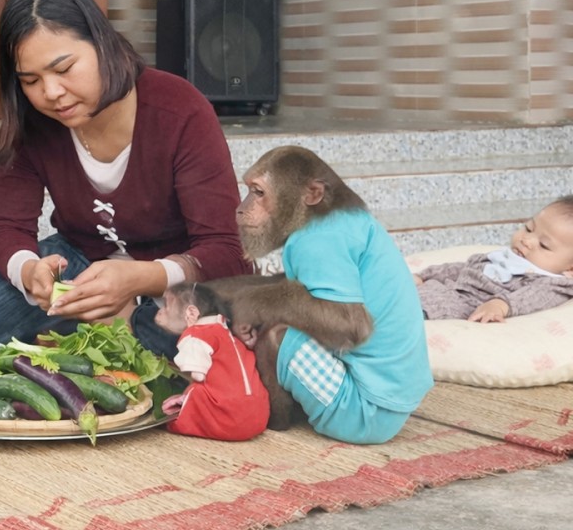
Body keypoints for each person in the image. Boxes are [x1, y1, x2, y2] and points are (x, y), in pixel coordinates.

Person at [0, 0, 251, 358]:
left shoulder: (179, 109)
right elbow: (7, 227)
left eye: (64, 69)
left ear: (103, 44)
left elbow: (225, 250)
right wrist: (29, 271)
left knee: (183, 343)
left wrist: (142, 278)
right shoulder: (34, 123)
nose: (50, 93)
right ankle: (95, 327)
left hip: (175, 279)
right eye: (31, 80)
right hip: (82, 263)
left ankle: (108, 326)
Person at [232, 145, 431, 443]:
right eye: (248, 190)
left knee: (275, 335)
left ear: (311, 195)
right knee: (274, 310)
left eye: (259, 193)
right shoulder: (344, 222)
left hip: (367, 409)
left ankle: (273, 418)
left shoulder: (316, 237)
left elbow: (347, 323)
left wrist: (259, 308)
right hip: (392, 395)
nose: (242, 206)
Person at [416, 196, 573, 322]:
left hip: (466, 304)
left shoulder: (553, 283)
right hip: (441, 289)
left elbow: (535, 297)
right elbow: (465, 267)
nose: (527, 240)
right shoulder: (507, 256)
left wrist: (500, 305)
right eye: (528, 228)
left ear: (570, 268)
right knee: (405, 292)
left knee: (422, 310)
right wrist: (425, 275)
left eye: (544, 245)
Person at [155, 282, 268, 442]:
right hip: (258, 418)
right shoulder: (228, 334)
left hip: (230, 421)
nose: (160, 312)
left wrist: (187, 399)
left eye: (166, 306)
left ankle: (181, 423)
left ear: (191, 313)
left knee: (195, 390)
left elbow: (199, 376)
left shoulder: (198, 334)